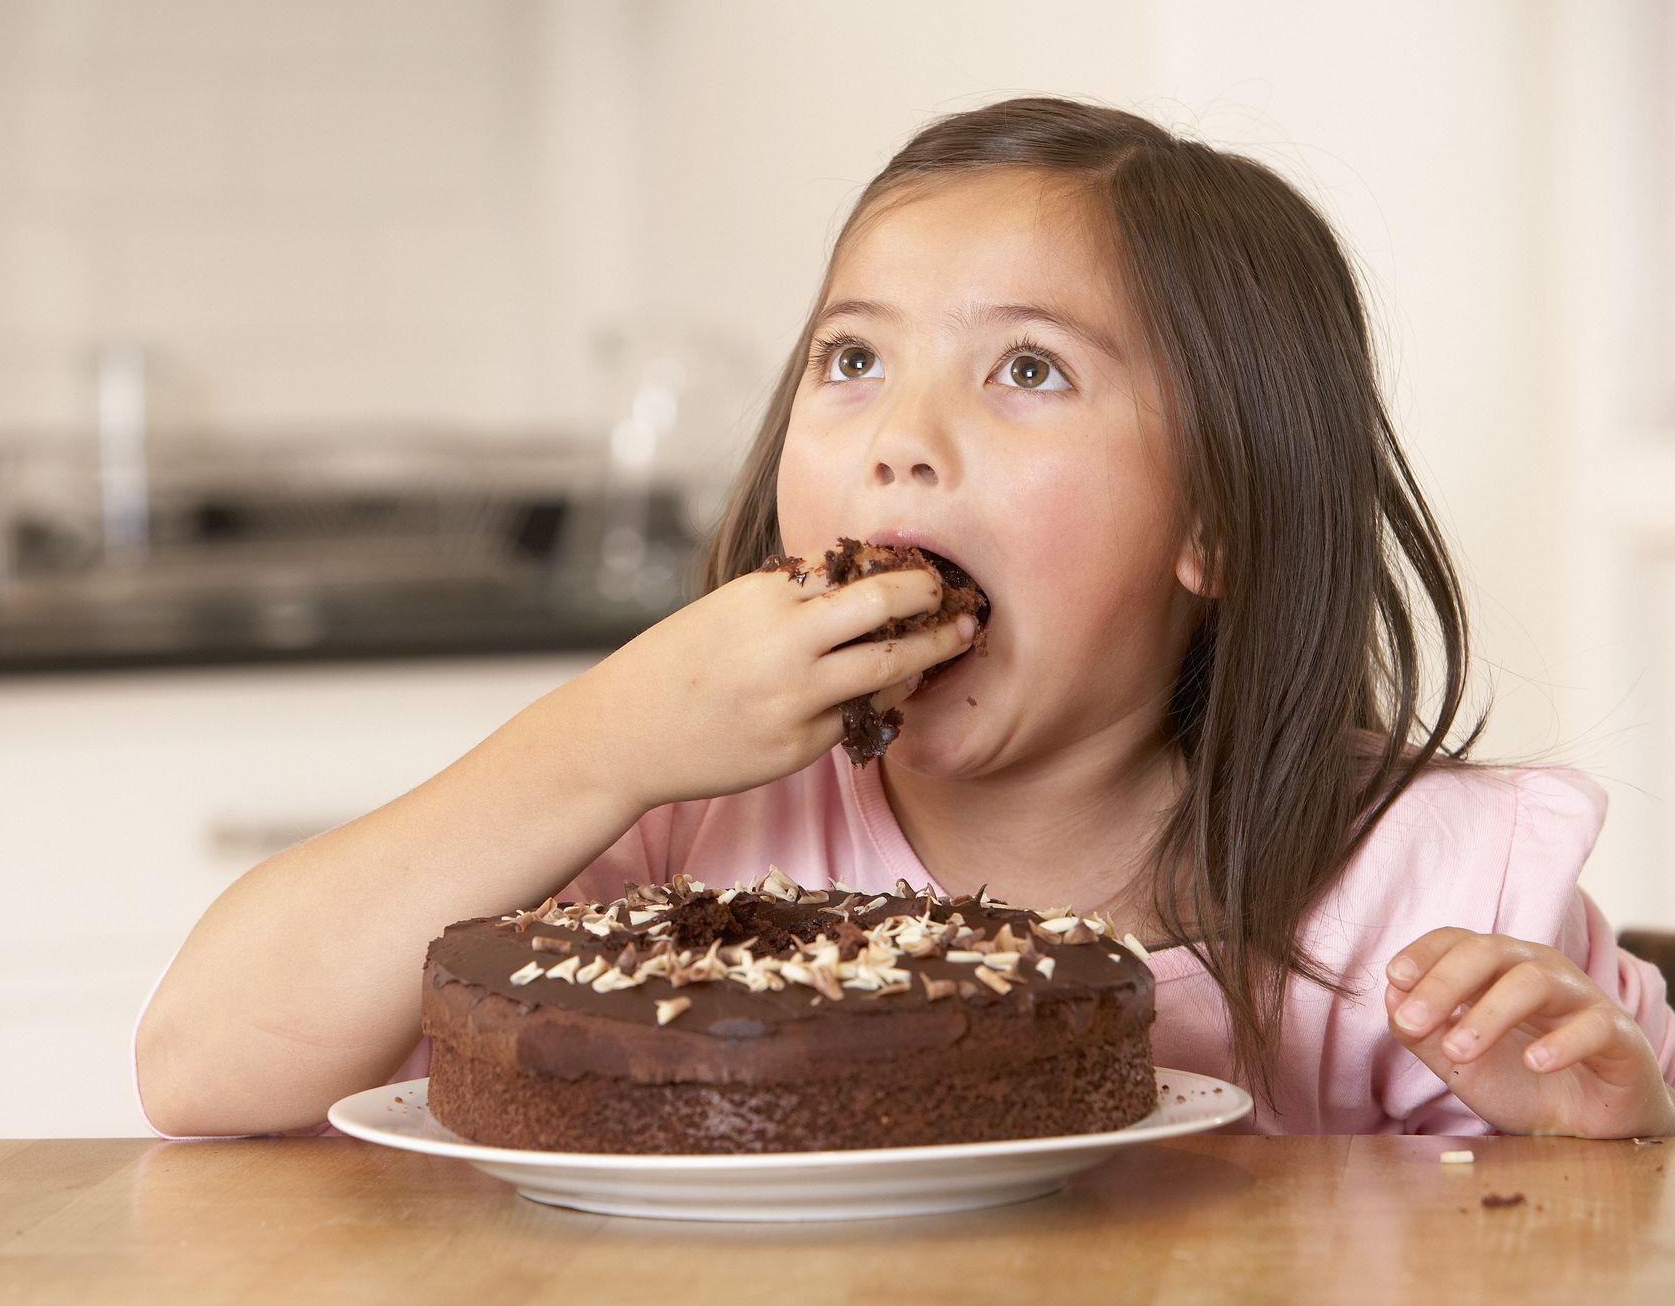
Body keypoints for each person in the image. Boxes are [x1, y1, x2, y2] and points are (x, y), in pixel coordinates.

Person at [133, 96, 1675, 1140]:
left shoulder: (1425, 896)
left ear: (1217, 517)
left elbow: (1595, 1191)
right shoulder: (693, 843)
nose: (899, 436)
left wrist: (1597, 1114)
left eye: (1027, 370)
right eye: (851, 359)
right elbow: (198, 1064)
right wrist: (595, 745)